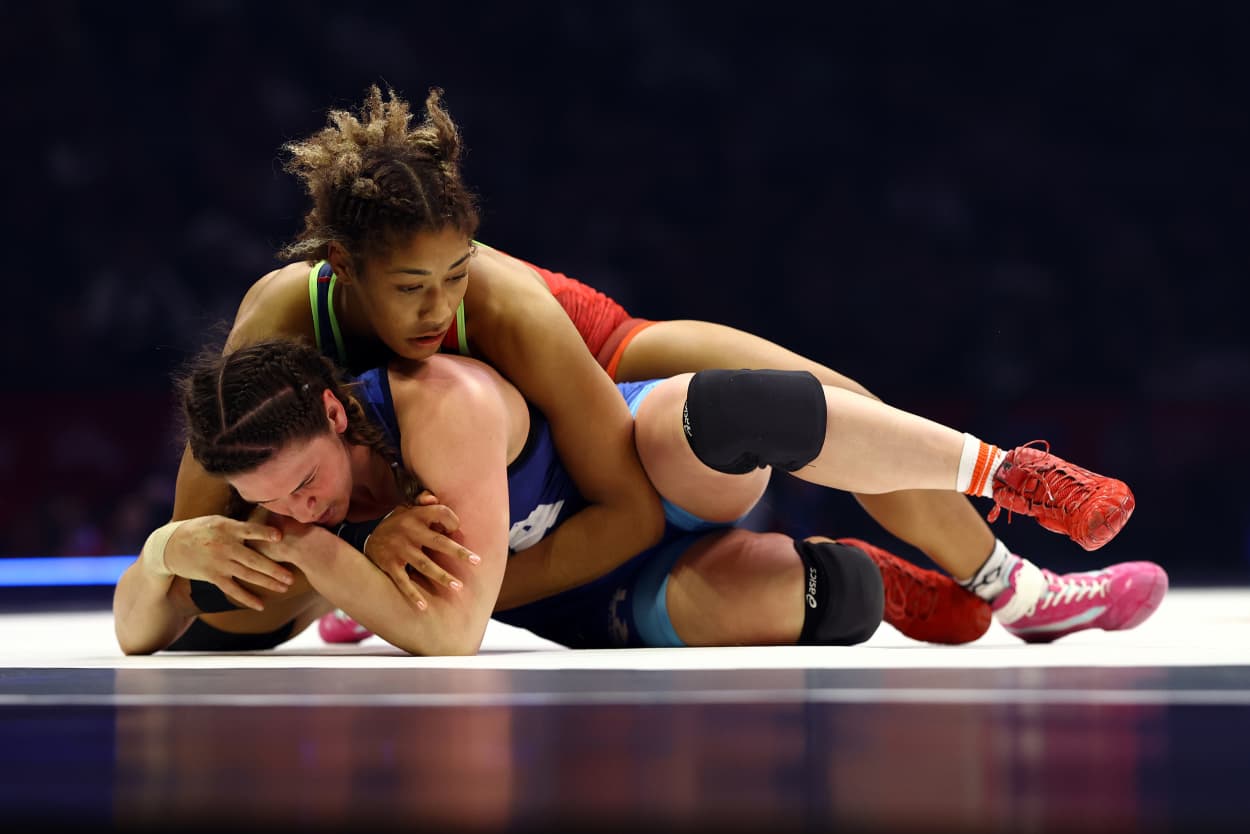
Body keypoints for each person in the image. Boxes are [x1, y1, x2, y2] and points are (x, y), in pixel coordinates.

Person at [132, 83, 1163, 650]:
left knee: (824, 406)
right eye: (410, 290)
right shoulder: (278, 320)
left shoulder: (504, 305)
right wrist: (214, 562)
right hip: (483, 486)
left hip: (604, 369)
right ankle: (877, 583)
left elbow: (622, 506)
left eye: (453, 277)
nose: (439, 312)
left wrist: (451, 591)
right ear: (343, 271)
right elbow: (214, 525)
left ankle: (1014, 586)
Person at [115, 337, 1161, 656]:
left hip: (642, 476)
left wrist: (340, 570)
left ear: (339, 417)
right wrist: (170, 553)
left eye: (303, 486)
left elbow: (453, 634)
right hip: (595, 589)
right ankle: (871, 577)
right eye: (274, 502)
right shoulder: (276, 500)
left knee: (724, 409)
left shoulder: (443, 399)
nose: (294, 513)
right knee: (823, 607)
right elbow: (138, 632)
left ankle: (1007, 476)